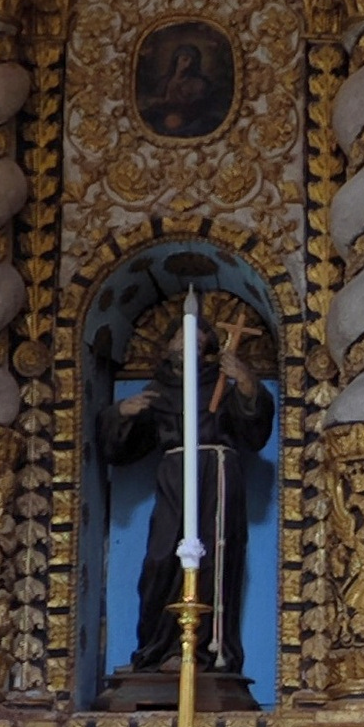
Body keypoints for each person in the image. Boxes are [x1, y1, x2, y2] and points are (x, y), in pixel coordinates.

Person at [108, 290, 275, 693]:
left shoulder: (221, 383)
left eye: (198, 341)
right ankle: (156, 647)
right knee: (160, 559)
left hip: (217, 474)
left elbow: (254, 432)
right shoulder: (157, 391)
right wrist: (120, 414)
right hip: (174, 473)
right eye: (182, 339)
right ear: (166, 349)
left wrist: (249, 384)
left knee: (214, 560)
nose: (190, 345)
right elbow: (121, 449)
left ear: (208, 350)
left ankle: (207, 652)